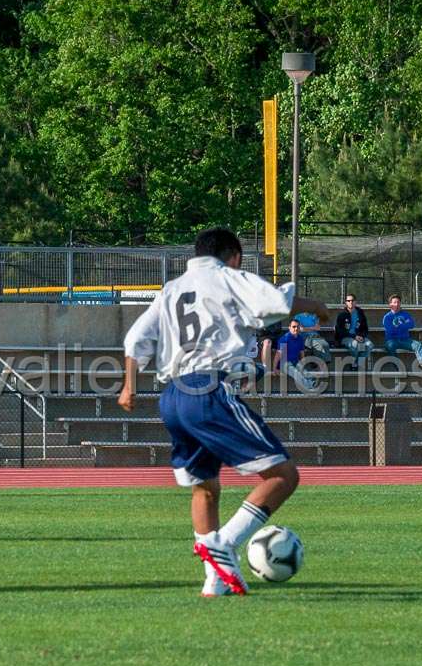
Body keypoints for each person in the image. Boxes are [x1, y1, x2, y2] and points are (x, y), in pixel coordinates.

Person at [118, 227, 329, 597]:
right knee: (283, 475)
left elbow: (137, 339)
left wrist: (129, 384)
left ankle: (214, 581)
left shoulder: (171, 289)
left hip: (173, 397)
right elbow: (274, 304)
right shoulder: (229, 277)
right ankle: (225, 543)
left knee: (206, 489)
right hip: (209, 390)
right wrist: (315, 307)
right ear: (232, 255)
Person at [382, 294, 422, 371]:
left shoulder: (405, 314)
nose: (397, 304)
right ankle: (397, 367)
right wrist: (404, 324)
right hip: (392, 340)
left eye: (398, 302)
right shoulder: (387, 317)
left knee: (418, 345)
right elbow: (390, 330)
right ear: (390, 305)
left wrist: (398, 327)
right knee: (390, 346)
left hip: (405, 340)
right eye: (394, 302)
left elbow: (411, 324)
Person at [274, 319, 320, 392]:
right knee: (296, 373)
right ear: (289, 327)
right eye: (293, 326)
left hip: (295, 362)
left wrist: (302, 363)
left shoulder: (300, 338)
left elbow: (302, 352)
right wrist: (275, 368)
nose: (296, 328)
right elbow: (278, 354)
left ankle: (313, 382)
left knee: (305, 372)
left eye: (297, 327)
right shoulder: (284, 339)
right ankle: (310, 386)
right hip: (285, 363)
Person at [333, 294, 372, 370]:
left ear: (355, 302)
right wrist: (354, 337)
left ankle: (357, 363)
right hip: (345, 338)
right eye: (348, 301)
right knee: (355, 344)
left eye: (352, 300)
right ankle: (354, 364)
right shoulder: (342, 315)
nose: (350, 302)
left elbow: (365, 328)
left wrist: (362, 336)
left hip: (359, 337)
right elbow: (340, 331)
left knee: (370, 345)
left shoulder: (360, 314)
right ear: (346, 302)